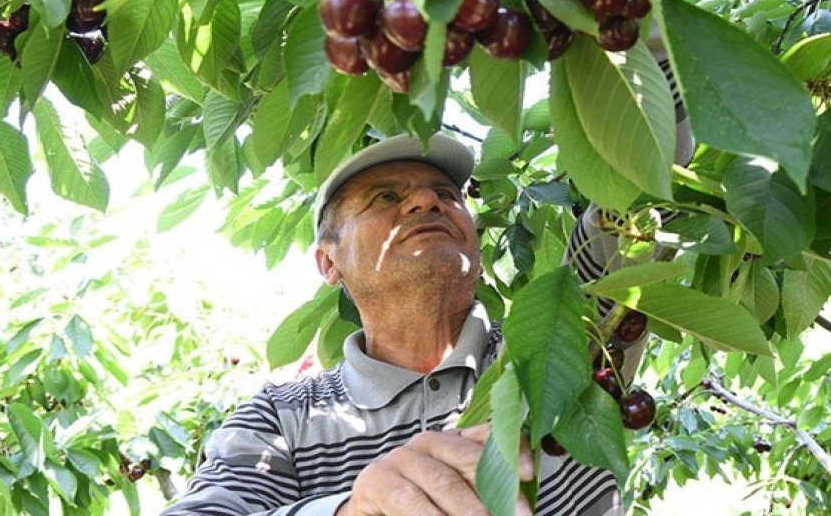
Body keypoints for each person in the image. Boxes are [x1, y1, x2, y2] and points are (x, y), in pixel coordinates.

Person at [161, 55, 692, 516]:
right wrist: (351, 511)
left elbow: (635, 196)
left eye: (445, 193)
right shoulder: (283, 419)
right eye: (385, 199)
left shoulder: (557, 349)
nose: (426, 202)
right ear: (329, 264)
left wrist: (629, 45)